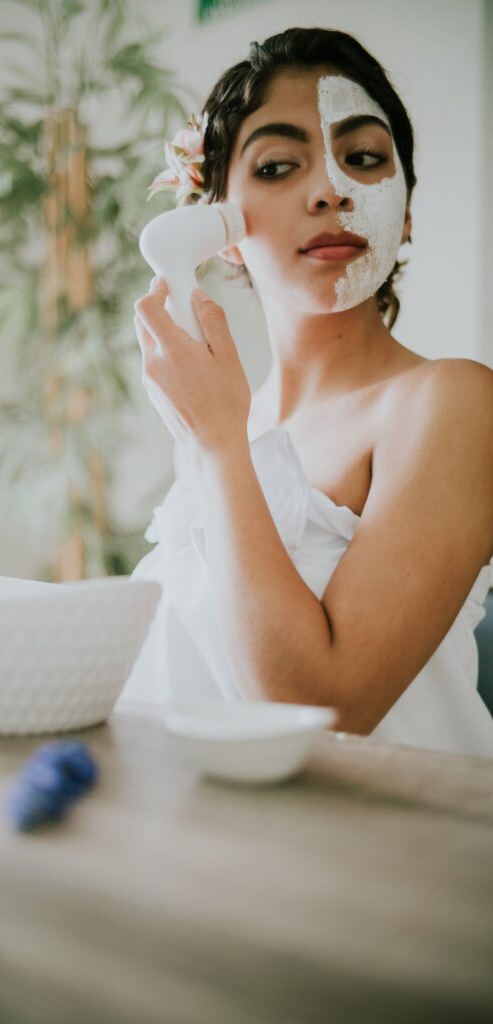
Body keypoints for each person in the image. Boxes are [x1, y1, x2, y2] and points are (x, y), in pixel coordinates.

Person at [121, 27, 493, 758]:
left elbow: (319, 711)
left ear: (406, 210)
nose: (329, 190)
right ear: (218, 228)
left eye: (363, 159)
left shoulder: (453, 404)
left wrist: (222, 447)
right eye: (280, 165)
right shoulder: (231, 415)